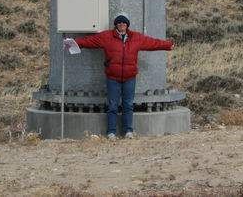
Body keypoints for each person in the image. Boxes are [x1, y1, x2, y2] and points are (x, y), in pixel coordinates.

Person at [66, 12, 174, 140]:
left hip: (130, 77)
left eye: (123, 22)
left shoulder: (136, 37)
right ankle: (111, 132)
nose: (121, 24)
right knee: (112, 105)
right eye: (119, 22)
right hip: (113, 77)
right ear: (116, 24)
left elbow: (153, 43)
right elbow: (89, 41)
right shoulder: (106, 36)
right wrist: (73, 43)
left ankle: (128, 131)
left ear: (127, 24)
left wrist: (168, 45)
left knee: (128, 104)